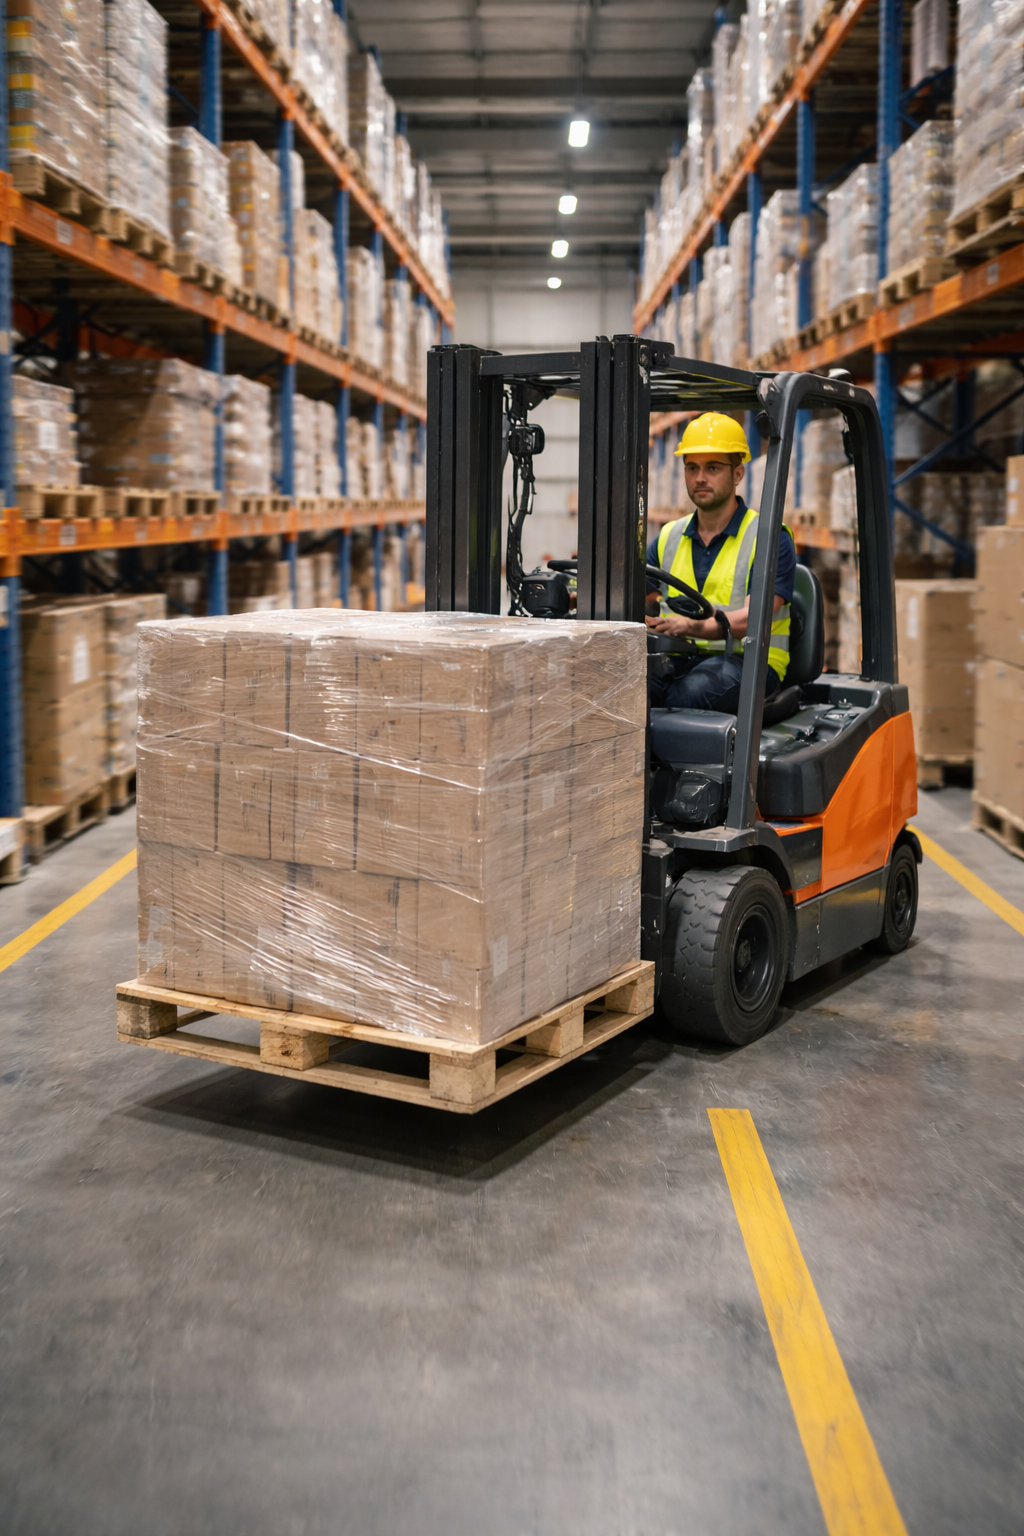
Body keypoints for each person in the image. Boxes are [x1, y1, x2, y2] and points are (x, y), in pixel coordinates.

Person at [646, 411, 795, 713]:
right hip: (681, 656)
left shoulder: (768, 536)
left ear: (737, 474)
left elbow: (755, 619)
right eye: (692, 467)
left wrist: (688, 625)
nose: (700, 477)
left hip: (750, 662)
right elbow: (640, 598)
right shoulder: (668, 536)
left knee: (686, 698)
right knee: (619, 684)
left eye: (712, 468)